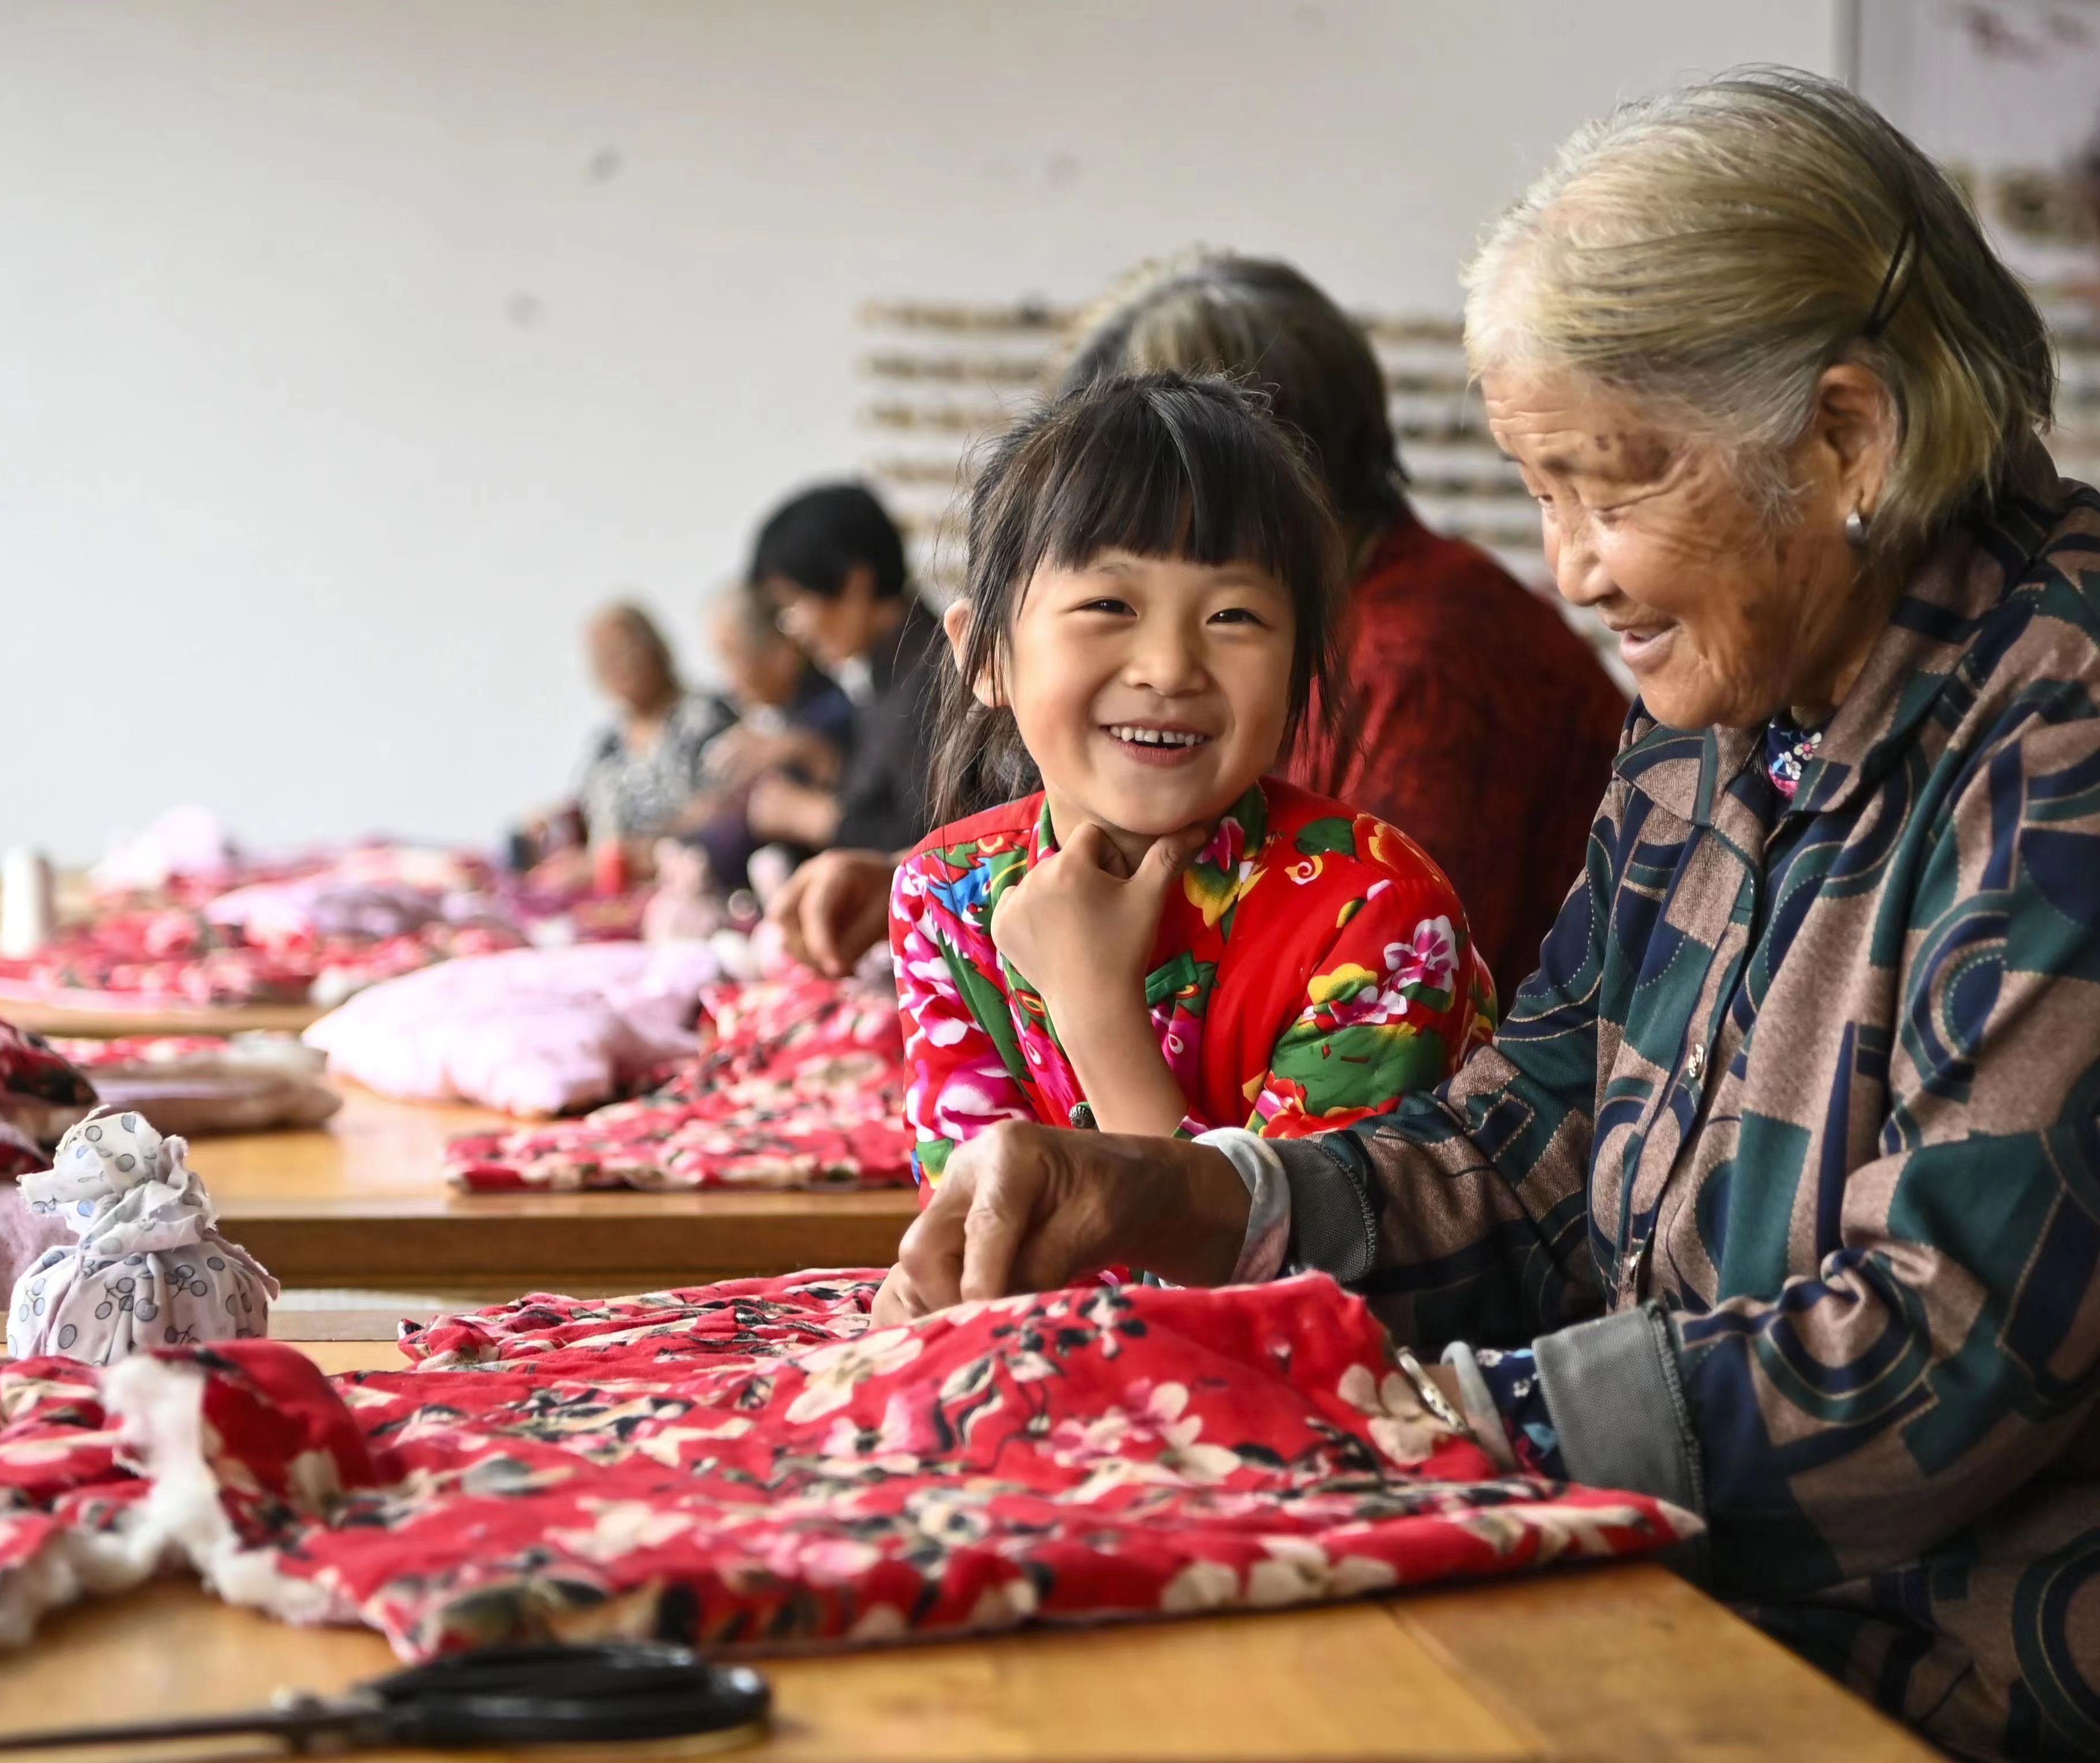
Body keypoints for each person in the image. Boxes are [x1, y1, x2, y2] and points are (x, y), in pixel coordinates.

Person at [877, 68, 2099, 1761]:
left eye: (1611, 484)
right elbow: (1512, 1152)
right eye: (1541, 490)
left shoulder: (2064, 739)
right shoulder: (1714, 737)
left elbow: (1941, 1344)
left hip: (1944, 1689)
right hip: (1675, 1600)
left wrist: (1434, 1417)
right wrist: (1169, 1193)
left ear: (1844, 439)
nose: (1574, 568)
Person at [769, 255, 1630, 1002]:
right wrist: (976, 891)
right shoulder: (1372, 609)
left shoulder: (1424, 659)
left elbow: (1330, 960)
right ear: (984, 651)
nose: (1168, 667)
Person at [879, 371, 1496, 1299]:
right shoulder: (949, 895)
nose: (1170, 668)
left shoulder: (1379, 915)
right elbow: (982, 1260)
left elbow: (1304, 1300)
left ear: (1301, 669)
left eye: (1234, 617)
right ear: (986, 655)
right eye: (1109, 607)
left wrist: (1094, 1007)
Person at [744, 482, 941, 856]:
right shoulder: (885, 672)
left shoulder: (933, 674)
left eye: (795, 602)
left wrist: (813, 817)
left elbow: (939, 844)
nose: (793, 627)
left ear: (855, 583)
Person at [531, 603, 733, 886]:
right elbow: (585, 810)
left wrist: (636, 854)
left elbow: (728, 807)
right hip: (612, 896)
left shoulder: (707, 716)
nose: (618, 665)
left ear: (658, 648)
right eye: (603, 657)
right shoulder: (607, 744)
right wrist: (551, 823)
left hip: (693, 886)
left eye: (625, 649)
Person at [684, 585, 854, 890]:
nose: (727, 678)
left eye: (732, 657)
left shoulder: (831, 714)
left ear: (780, 652)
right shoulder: (771, 718)